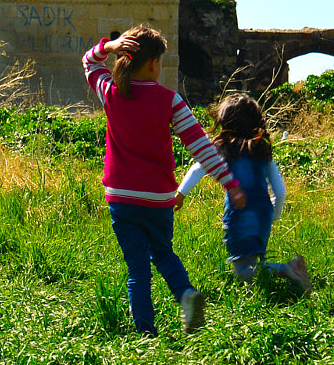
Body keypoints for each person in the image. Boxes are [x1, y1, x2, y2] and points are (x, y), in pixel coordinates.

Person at [83, 26, 245, 336]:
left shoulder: (112, 93)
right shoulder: (170, 100)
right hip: (158, 198)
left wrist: (110, 45)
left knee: (137, 269)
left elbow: (89, 62)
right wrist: (230, 184)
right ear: (155, 63)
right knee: (163, 252)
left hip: (121, 197)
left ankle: (146, 332)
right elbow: (202, 147)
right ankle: (185, 294)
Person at [176, 93, 311, 294]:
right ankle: (266, 288)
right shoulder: (262, 150)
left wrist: (180, 194)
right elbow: (280, 190)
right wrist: (275, 212)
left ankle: (288, 270)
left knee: (243, 271)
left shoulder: (222, 148)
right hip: (263, 213)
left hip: (239, 215)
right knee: (253, 259)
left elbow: (198, 169)